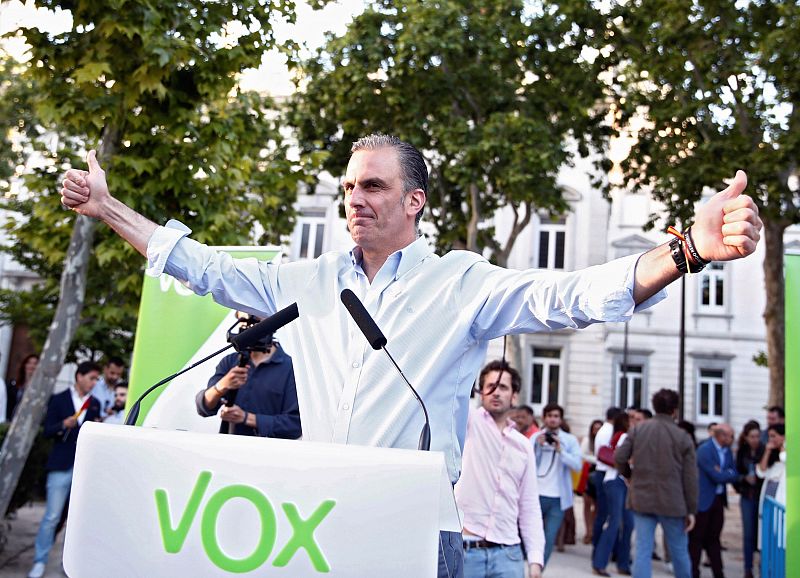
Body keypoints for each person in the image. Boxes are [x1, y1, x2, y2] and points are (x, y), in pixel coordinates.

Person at [60, 135, 762, 577]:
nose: (353, 199)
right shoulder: (305, 279)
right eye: (347, 187)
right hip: (312, 528)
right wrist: (108, 205)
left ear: (415, 200)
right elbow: (201, 266)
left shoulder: (460, 283)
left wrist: (688, 251)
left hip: (419, 535)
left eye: (372, 185)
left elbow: (570, 296)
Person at [455, 361, 544, 578]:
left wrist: (535, 559)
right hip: (467, 552)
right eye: (490, 387)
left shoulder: (523, 445)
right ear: (481, 393)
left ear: (514, 396)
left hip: (509, 555)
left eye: (503, 387)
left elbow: (529, 504)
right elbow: (453, 391)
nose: (496, 392)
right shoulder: (467, 423)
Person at [27, 361, 102, 578]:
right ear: (79, 376)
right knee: (51, 517)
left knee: (76, 520)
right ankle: (39, 561)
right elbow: (47, 431)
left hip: (85, 469)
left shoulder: (94, 403)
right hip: (60, 465)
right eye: (92, 378)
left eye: (97, 379)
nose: (94, 382)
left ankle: (68, 564)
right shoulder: (59, 399)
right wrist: (63, 425)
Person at [614, 389, 697, 578]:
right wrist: (691, 509)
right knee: (679, 551)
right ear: (675, 410)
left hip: (642, 496)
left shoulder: (638, 430)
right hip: (673, 501)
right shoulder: (682, 436)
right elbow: (690, 476)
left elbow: (619, 456)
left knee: (643, 549)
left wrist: (629, 475)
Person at [195, 319, 301, 438]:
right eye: (245, 323)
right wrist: (222, 386)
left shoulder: (290, 368)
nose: (250, 328)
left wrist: (246, 418)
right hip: (229, 449)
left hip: (269, 452)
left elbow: (294, 425)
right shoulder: (230, 361)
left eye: (256, 322)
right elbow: (203, 408)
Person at [530, 403, 582, 565]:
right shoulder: (535, 437)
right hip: (536, 494)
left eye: (556, 416)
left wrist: (561, 450)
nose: (553, 419)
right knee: (532, 537)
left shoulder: (569, 440)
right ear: (544, 418)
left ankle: (537, 571)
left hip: (558, 498)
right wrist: (537, 446)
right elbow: (527, 463)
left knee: (550, 537)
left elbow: (577, 465)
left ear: (560, 419)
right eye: (550, 416)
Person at [689, 423, 739, 578]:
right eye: (730, 435)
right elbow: (715, 475)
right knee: (696, 539)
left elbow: (734, 473)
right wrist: (726, 473)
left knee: (714, 538)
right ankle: (693, 572)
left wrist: (725, 472)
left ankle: (718, 573)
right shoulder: (705, 450)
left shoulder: (727, 451)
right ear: (721, 435)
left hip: (718, 499)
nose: (733, 438)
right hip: (703, 500)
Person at [592, 412, 633, 576]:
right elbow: (622, 459)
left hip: (619, 480)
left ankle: (622, 562)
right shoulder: (624, 437)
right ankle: (600, 562)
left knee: (628, 523)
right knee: (615, 521)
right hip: (617, 479)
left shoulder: (619, 435)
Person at [592, 406, 623, 555]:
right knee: (606, 514)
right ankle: (599, 547)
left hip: (601, 471)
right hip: (606, 472)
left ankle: (599, 546)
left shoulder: (603, 430)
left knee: (603, 513)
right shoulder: (610, 431)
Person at [735, 421, 764, 578]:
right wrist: (743, 480)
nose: (755, 439)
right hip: (747, 496)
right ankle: (748, 568)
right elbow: (736, 473)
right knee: (748, 534)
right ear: (746, 437)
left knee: (760, 532)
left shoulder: (764, 450)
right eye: (752, 436)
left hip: (760, 495)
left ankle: (762, 564)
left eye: (757, 436)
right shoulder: (742, 452)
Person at [580, 419, 603, 544]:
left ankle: (593, 529)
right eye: (595, 428)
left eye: (599, 428)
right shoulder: (587, 441)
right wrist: (597, 459)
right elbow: (582, 455)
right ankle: (588, 530)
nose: (597, 431)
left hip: (599, 474)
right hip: (588, 473)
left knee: (598, 505)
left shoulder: (605, 440)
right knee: (587, 503)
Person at [6, 353, 39, 421]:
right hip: (11, 421)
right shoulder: (13, 385)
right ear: (24, 365)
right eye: (29, 363)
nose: (32, 366)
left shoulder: (40, 388)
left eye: (35, 363)